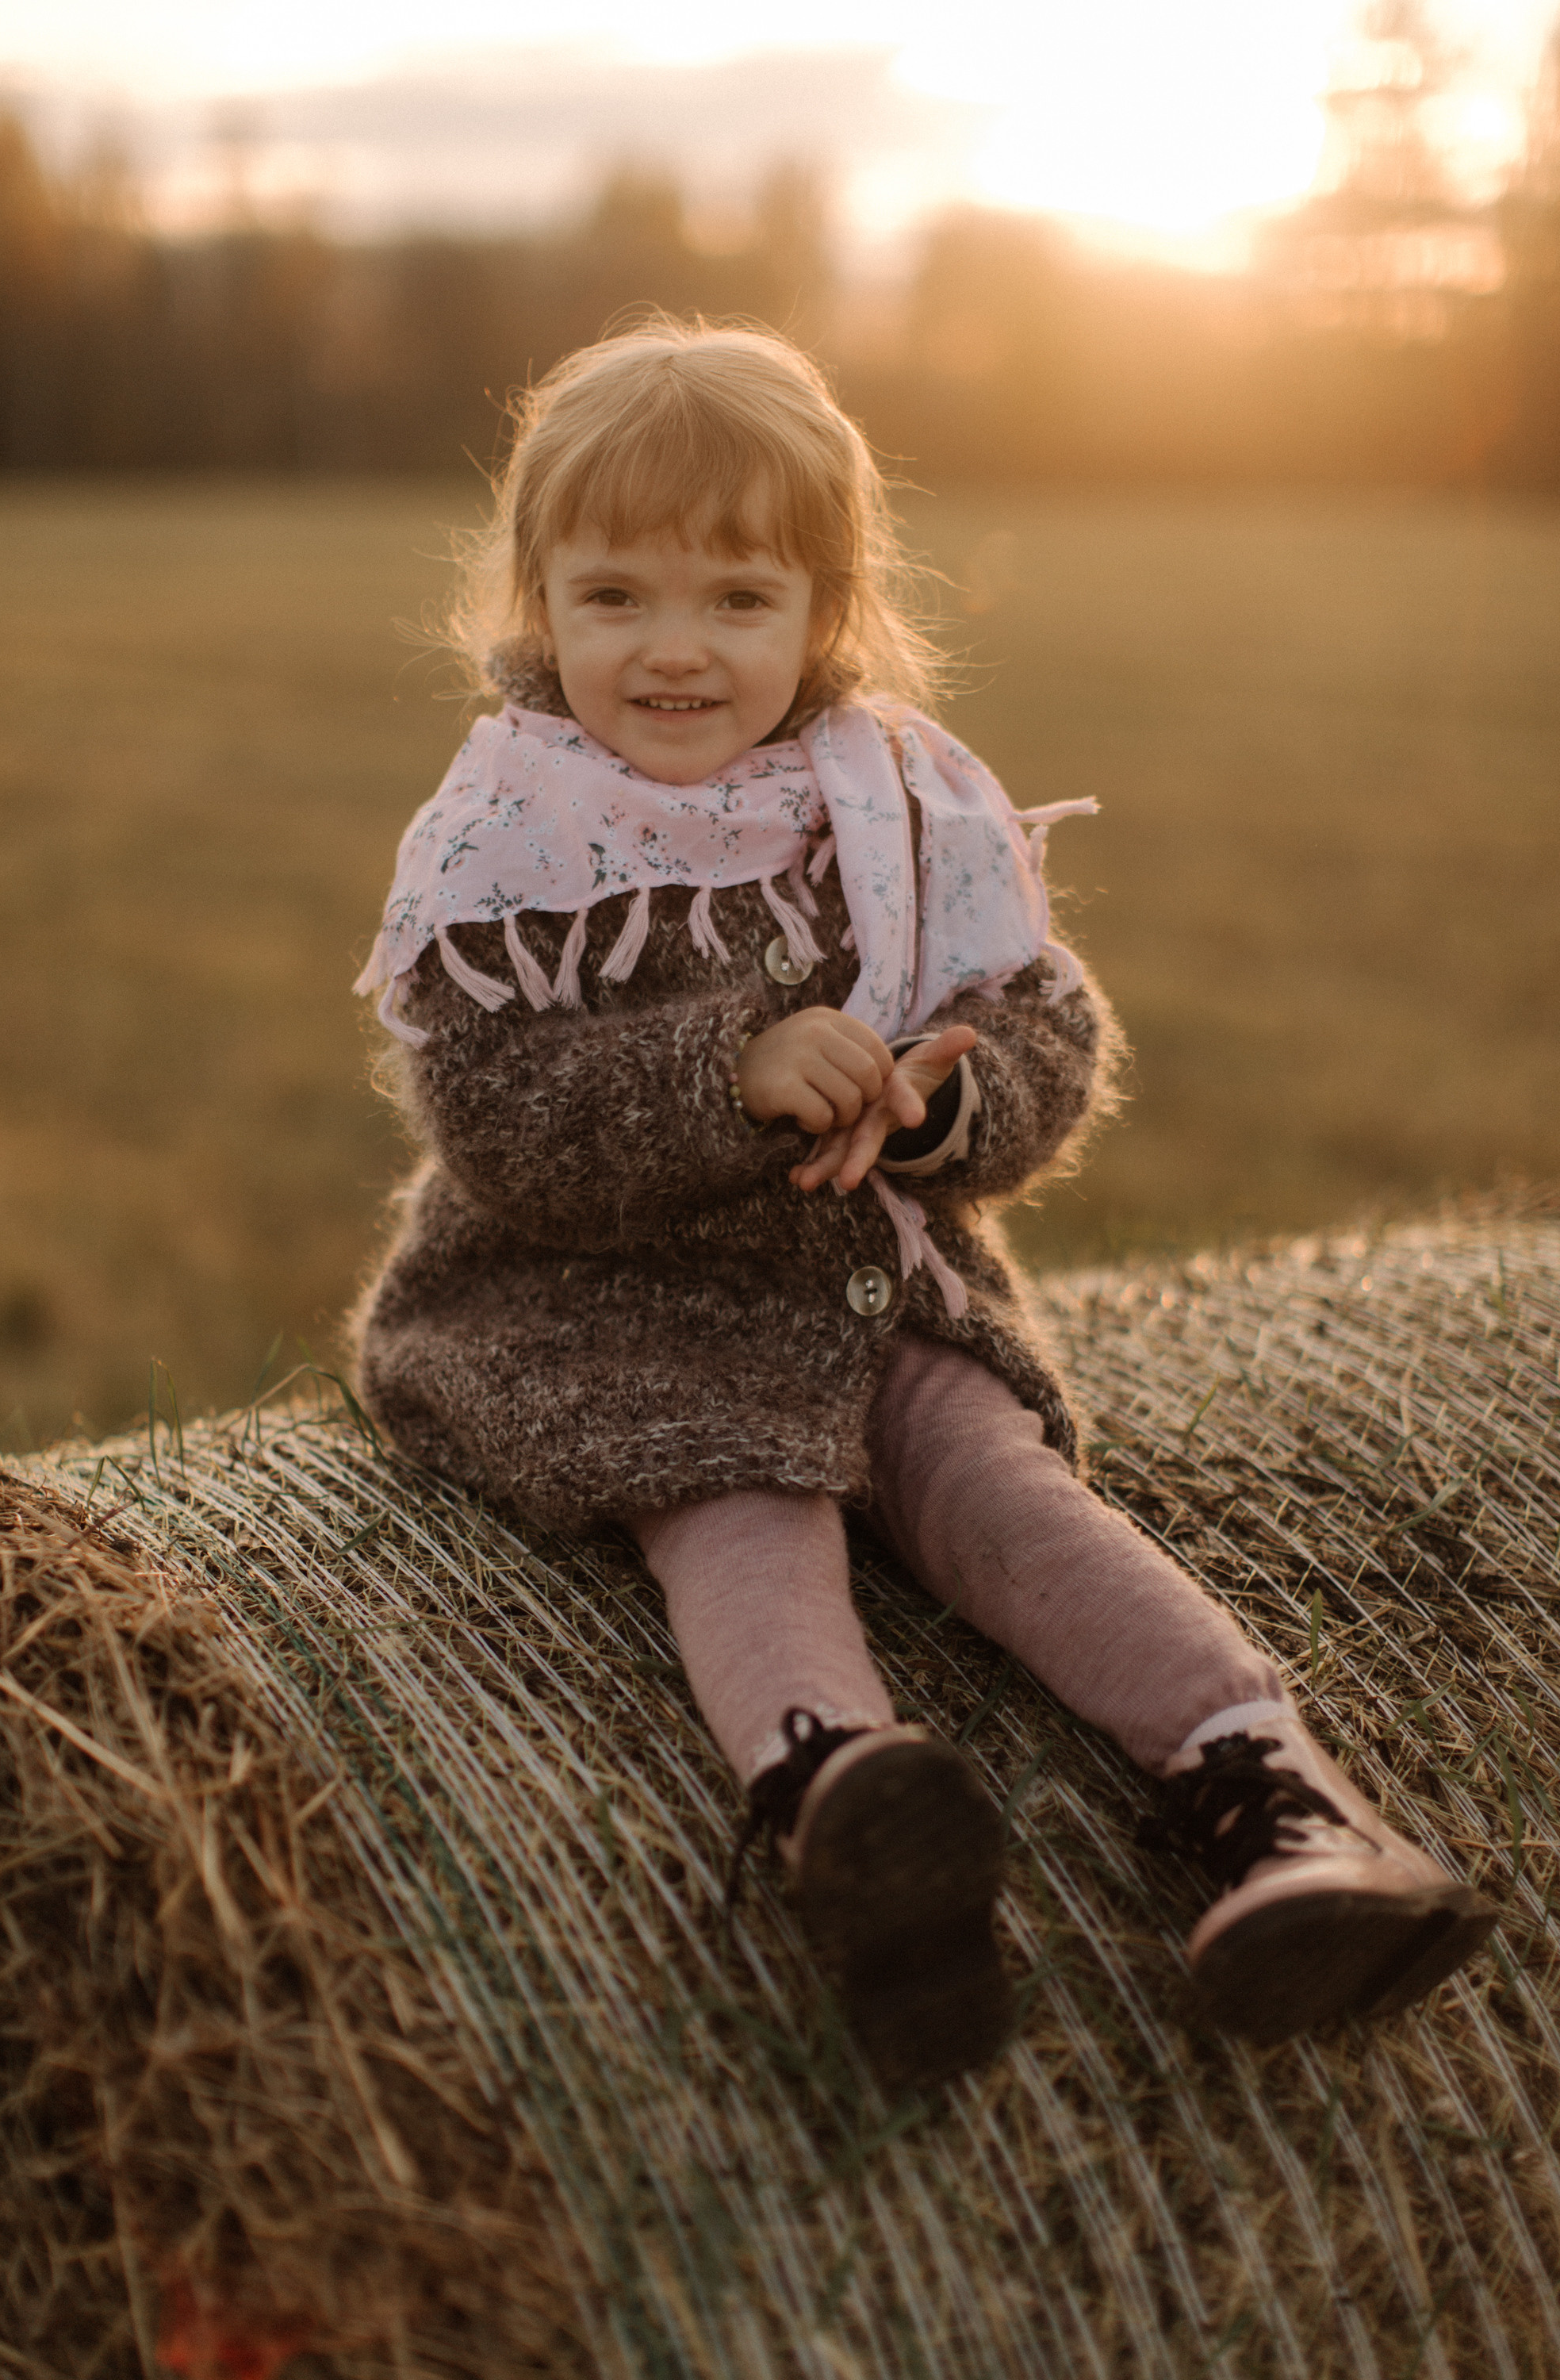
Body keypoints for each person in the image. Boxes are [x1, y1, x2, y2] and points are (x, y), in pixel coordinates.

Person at [351, 319, 1495, 2089]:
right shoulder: (512, 836)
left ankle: (1274, 1803)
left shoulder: (900, 799)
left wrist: (948, 1099)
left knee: (1006, 1495)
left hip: (874, 1292)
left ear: (826, 607)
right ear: (536, 602)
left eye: (738, 597)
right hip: (602, 1314)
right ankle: (847, 1808)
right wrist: (725, 1068)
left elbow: (1043, 1022)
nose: (673, 649)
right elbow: (499, 1120)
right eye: (616, 597)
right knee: (731, 1493)